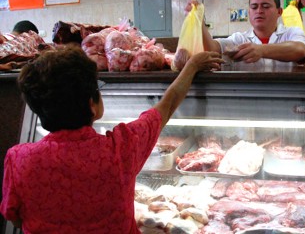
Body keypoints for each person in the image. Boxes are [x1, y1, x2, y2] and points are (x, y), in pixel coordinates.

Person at [0, 45, 223, 233]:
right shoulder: (120, 149)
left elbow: (15, 218)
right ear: (91, 104)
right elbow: (168, 104)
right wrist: (192, 66)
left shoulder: (18, 159)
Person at [185, 0, 305, 70]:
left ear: (279, 12)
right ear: (249, 13)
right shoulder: (239, 39)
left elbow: (300, 50)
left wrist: (261, 50)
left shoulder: (291, 33)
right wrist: (198, 23)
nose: (259, 11)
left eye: (265, 6)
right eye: (254, 7)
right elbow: (211, 49)